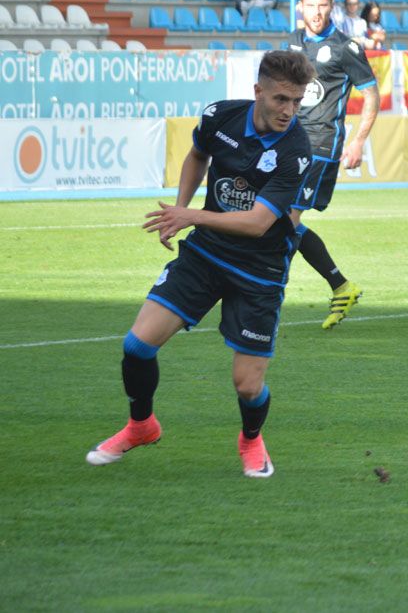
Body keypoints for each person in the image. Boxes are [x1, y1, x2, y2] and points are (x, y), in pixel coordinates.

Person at [85, 51, 315, 479]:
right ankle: (141, 426)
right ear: (258, 92)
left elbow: (258, 223)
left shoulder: (296, 151)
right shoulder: (220, 117)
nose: (289, 110)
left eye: (297, 101)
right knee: (136, 345)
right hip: (206, 254)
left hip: (259, 272)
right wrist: (179, 207)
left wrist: (190, 216)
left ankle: (250, 439)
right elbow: (197, 156)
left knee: (247, 385)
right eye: (281, 98)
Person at [288, 0, 379, 329]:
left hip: (322, 145)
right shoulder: (293, 42)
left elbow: (371, 96)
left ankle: (266, 297)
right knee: (280, 220)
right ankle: (340, 285)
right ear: (301, 6)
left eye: (322, 6)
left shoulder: (345, 48)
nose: (316, 12)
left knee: (285, 221)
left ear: (331, 6)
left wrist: (357, 141)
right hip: (291, 142)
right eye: (310, 5)